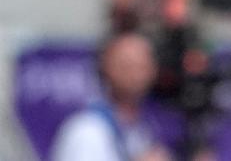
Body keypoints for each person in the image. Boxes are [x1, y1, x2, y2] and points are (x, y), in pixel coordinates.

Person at [51, 31, 172, 161]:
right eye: (126, 65)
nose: (136, 74)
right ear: (105, 68)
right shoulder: (86, 130)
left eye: (143, 65)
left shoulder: (146, 126)